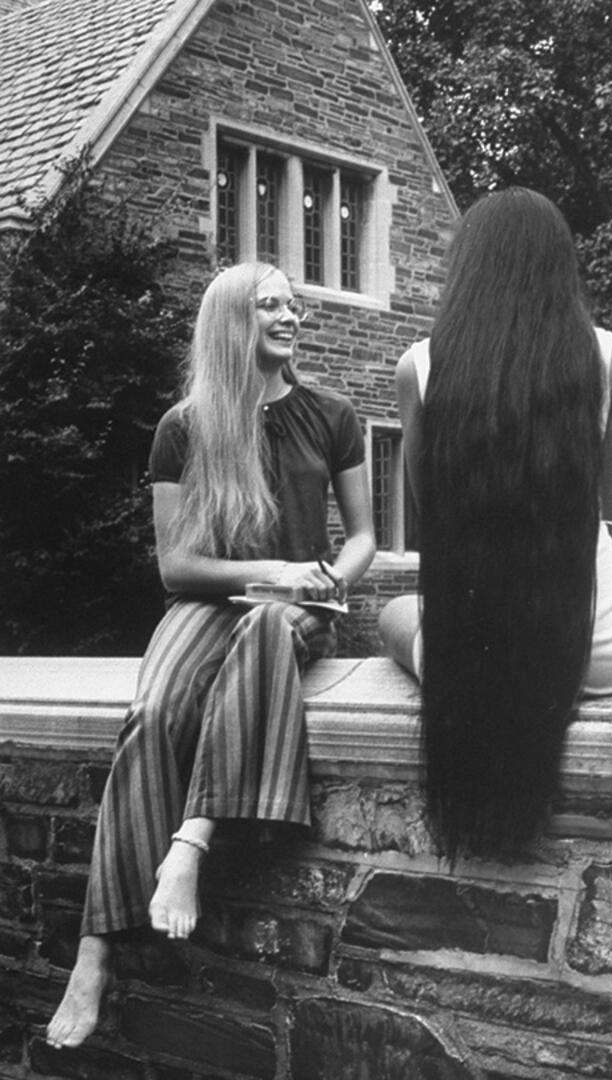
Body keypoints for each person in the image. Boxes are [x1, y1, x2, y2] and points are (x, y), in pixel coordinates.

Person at [46, 262, 376, 1049]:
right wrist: (267, 571)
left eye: (293, 303)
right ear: (232, 318)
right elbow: (175, 567)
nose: (290, 314)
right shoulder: (183, 427)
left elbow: (363, 535)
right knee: (153, 712)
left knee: (264, 632)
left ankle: (188, 844)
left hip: (294, 615)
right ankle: (94, 954)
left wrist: (328, 579)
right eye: (271, 304)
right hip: (206, 604)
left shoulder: (332, 414)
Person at [379, 188, 612, 862]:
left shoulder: (419, 368)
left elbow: (436, 518)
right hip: (599, 643)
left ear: (467, 271)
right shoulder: (610, 359)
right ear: (560, 266)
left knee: (393, 616)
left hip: (479, 651)